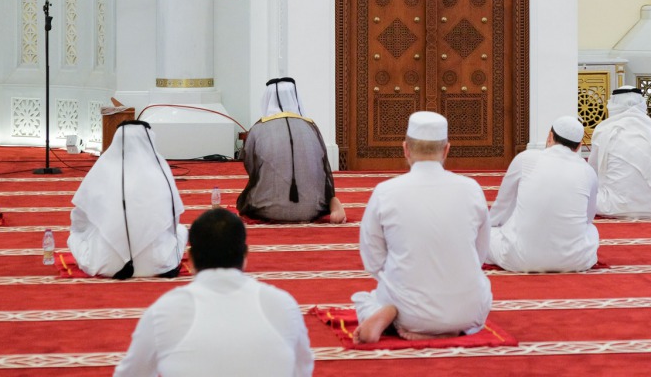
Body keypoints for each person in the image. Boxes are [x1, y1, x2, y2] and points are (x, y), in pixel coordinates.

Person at [114, 208, 313, 376]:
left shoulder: (164, 312)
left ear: (190, 260)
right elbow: (302, 370)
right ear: (245, 255)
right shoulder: (283, 305)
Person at [352, 111, 492, 343]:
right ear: (447, 149)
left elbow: (373, 260)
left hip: (409, 310)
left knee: (367, 298)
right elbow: (480, 253)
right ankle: (450, 326)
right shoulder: (472, 188)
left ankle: (388, 315)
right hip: (468, 311)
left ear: (405, 149)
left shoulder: (385, 191)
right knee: (480, 289)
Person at [67, 120, 187, 278]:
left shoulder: (103, 168)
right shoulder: (160, 170)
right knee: (181, 231)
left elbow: (79, 219)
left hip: (107, 264)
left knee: (75, 236)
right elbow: (173, 221)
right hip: (157, 264)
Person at [486, 115, 600, 273]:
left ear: (550, 136)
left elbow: (502, 206)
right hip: (574, 261)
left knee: (488, 233)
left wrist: (491, 226)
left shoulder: (526, 158)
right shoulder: (588, 171)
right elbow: (588, 218)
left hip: (520, 259)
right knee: (592, 231)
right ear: (579, 146)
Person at [236, 77, 346, 224]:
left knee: (245, 199)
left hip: (265, 209)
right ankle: (333, 203)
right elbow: (324, 169)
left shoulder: (258, 129)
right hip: (312, 208)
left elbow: (250, 166)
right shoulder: (310, 127)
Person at [588, 86, 651, 218]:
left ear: (613, 104)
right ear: (642, 104)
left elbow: (593, 172)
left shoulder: (603, 130)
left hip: (612, 207)